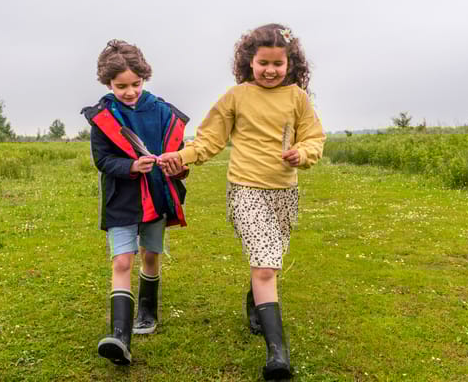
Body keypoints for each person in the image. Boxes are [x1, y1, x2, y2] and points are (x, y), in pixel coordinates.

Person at [159, 23, 325, 380]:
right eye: (263, 62)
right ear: (249, 61)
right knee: (265, 265)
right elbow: (209, 140)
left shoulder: (297, 98)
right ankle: (277, 354)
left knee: (269, 261)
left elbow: (314, 138)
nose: (270, 70)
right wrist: (182, 157)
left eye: (277, 64)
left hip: (284, 191)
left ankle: (255, 301)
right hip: (246, 189)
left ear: (290, 64)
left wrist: (302, 153)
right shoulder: (235, 97)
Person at [82, 39, 189, 366]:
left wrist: (178, 165)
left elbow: (180, 152)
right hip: (121, 200)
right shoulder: (103, 117)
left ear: (144, 78)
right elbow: (102, 160)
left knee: (151, 255)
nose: (129, 91)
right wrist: (129, 166)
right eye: (121, 86)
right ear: (107, 83)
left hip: (156, 196)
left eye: (135, 84)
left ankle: (147, 312)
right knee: (122, 262)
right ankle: (120, 336)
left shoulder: (160, 111)